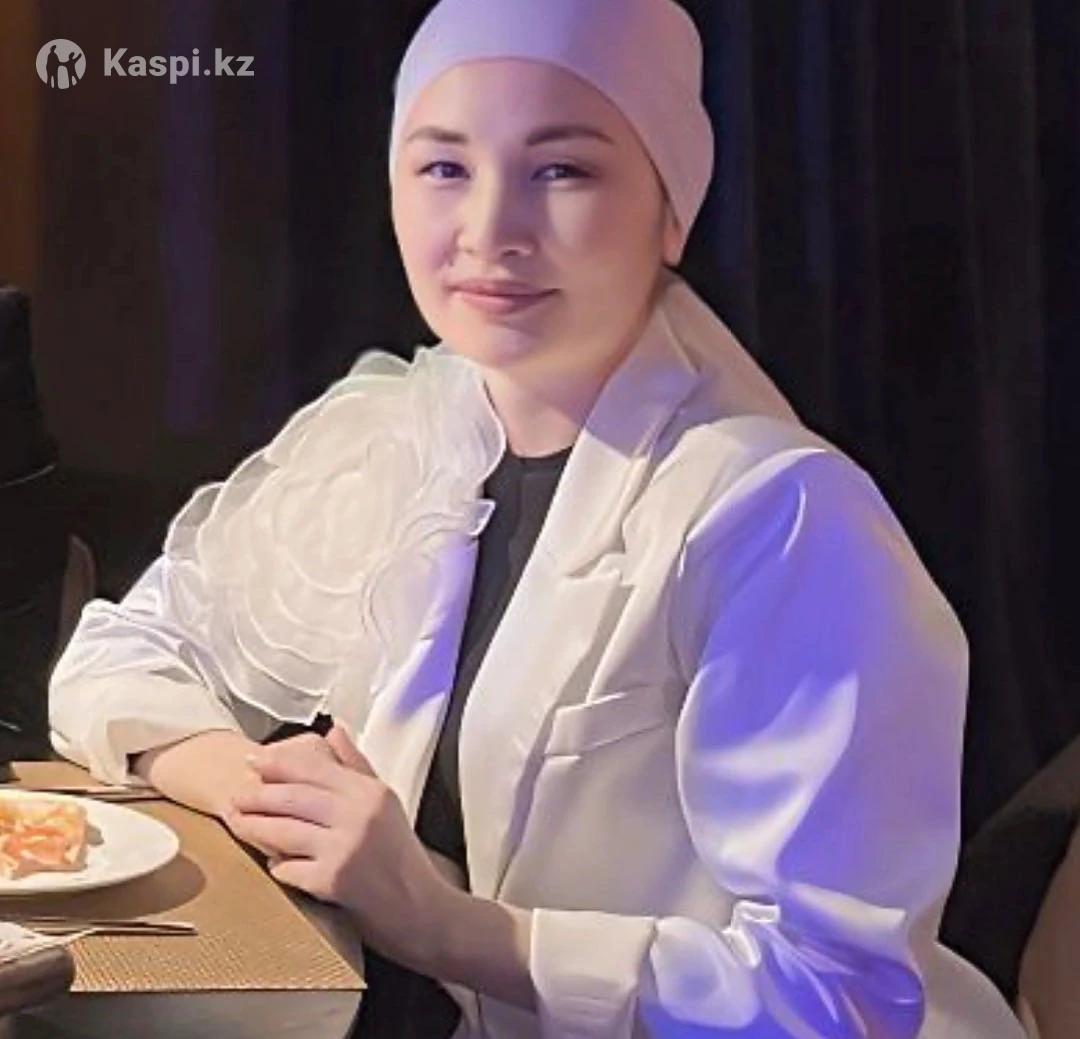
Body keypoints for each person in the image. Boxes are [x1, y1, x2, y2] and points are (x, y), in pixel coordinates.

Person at [48, 0, 1027, 1036]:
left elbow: (838, 998)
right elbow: (116, 653)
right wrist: (259, 789)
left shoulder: (781, 520)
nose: (488, 232)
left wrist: (444, 922)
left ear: (673, 208)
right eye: (444, 167)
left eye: (561, 170)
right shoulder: (391, 428)